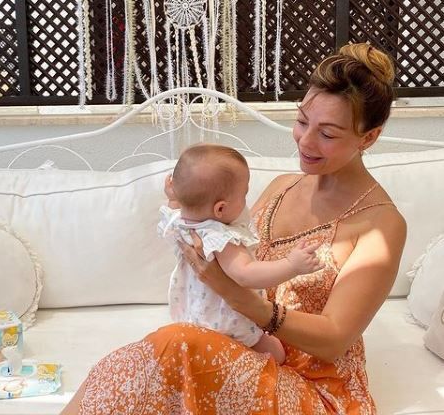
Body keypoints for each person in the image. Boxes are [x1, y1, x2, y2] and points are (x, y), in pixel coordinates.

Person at [61, 43, 406, 415]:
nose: (305, 141)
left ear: (368, 137)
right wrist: (184, 207)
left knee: (176, 346)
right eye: (302, 121)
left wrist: (239, 297)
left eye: (328, 134)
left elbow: (334, 340)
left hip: (315, 388)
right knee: (147, 361)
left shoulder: (381, 224)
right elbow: (222, 242)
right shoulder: (282, 187)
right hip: (247, 354)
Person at [159, 144, 323, 363]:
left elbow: (174, 204)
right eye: (244, 195)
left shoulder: (178, 221)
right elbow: (246, 274)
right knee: (277, 353)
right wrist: (291, 265)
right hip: (227, 324)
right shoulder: (221, 239)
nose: (246, 201)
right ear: (220, 209)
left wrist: (174, 195)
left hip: (192, 317)